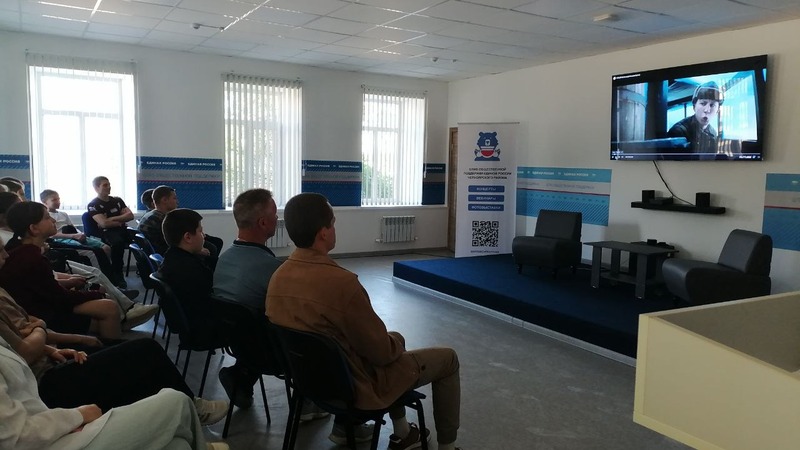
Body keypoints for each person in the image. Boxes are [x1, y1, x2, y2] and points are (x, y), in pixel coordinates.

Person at [266, 193, 462, 450]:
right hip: (356, 388)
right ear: (323, 233)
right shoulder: (342, 284)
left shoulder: (277, 277)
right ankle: (447, 447)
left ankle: (403, 433)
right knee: (448, 359)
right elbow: (381, 353)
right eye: (333, 223)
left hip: (311, 382)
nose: (334, 228)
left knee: (395, 338)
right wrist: (394, 345)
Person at [0, 335, 229, 450]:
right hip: (47, 442)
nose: (4, 259)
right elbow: (13, 437)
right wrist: (76, 415)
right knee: (175, 401)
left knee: (177, 446)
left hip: (47, 429)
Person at [0, 202, 122, 339]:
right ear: (34, 228)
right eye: (47, 217)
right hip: (39, 312)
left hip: (36, 305)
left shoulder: (19, 248)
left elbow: (41, 286)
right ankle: (114, 347)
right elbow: (59, 298)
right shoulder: (31, 257)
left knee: (101, 311)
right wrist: (95, 294)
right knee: (108, 307)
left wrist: (71, 283)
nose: (53, 220)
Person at [213, 189, 282, 409]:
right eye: (275, 213)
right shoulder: (272, 268)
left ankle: (241, 375)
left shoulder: (224, 258)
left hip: (237, 343)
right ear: (263, 223)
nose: (277, 218)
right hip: (270, 353)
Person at [157, 209, 222, 340]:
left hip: (190, 326)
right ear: (188, 237)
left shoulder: (171, 258)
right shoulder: (191, 269)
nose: (203, 236)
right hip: (205, 330)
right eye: (200, 231)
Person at [139, 185, 222, 266]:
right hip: (169, 255)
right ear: (164, 200)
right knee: (212, 247)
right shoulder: (160, 220)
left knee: (214, 242)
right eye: (174, 198)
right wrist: (198, 251)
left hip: (162, 251)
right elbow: (175, 242)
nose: (177, 202)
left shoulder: (151, 215)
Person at [87, 176, 134, 288]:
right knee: (117, 243)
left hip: (123, 230)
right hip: (107, 232)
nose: (109, 187)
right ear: (96, 188)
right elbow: (103, 224)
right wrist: (121, 220)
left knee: (141, 239)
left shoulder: (117, 200)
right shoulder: (93, 204)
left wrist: (112, 219)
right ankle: (117, 274)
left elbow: (130, 215)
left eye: (109, 184)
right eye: (105, 185)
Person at [667, 81, 724, 157]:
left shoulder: (713, 133)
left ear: (717, 110)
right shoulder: (679, 131)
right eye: (703, 103)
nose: (707, 110)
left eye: (712, 105)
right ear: (694, 106)